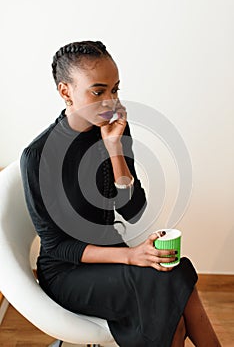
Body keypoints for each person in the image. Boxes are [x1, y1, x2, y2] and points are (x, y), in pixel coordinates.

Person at [20, 41, 221, 347]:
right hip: (67, 272)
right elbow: (58, 246)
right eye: (98, 92)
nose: (110, 101)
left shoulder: (114, 129)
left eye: (115, 89)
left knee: (174, 271)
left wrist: (114, 150)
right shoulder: (37, 156)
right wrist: (130, 255)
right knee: (169, 298)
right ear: (65, 92)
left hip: (111, 251)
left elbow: (132, 211)